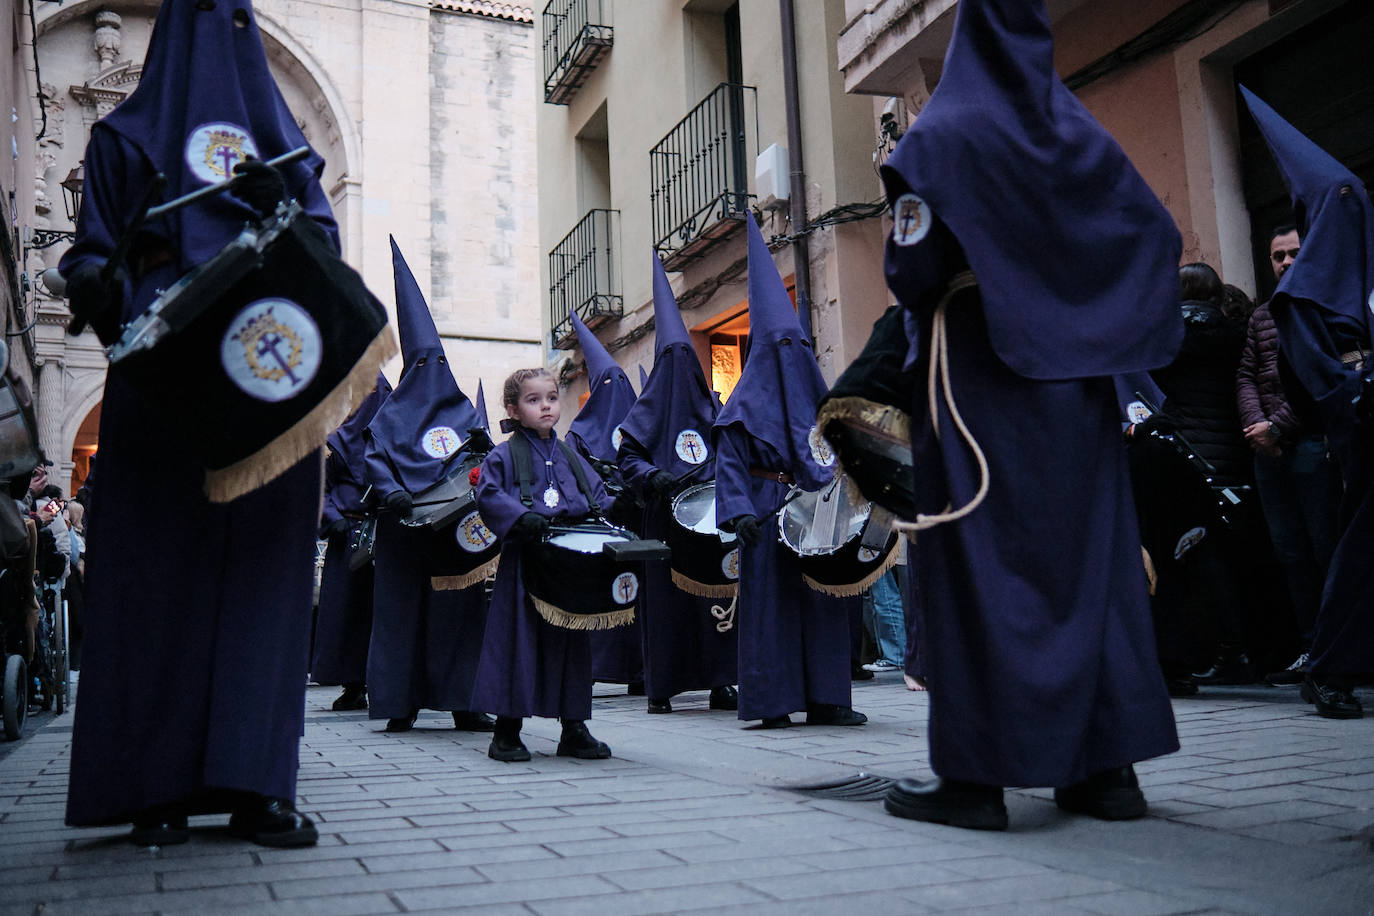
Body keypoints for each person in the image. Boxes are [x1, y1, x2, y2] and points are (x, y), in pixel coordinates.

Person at [876, 0, 1181, 830]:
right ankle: (1107, 774)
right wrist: (1098, 318)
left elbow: (912, 267)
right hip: (1077, 392)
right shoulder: (1081, 137)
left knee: (982, 572)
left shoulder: (938, 139)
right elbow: (1156, 235)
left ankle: (976, 782)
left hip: (977, 380)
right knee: (1095, 570)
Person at [59, 0, 338, 847]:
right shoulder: (121, 143)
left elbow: (326, 248)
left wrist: (284, 211)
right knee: (154, 587)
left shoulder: (288, 152)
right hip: (161, 392)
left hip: (266, 388)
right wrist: (97, 282)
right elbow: (89, 250)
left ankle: (257, 786)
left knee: (263, 592)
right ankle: (153, 789)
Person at [1239, 87, 1374, 719]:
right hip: (1348, 441)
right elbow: (1314, 379)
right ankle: (1328, 667)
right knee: (1347, 553)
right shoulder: (1296, 300)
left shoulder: (1359, 275)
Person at [713, 213, 866, 730]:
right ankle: (771, 701)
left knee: (822, 606)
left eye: (798, 348)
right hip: (762, 518)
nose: (791, 358)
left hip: (815, 518)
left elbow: (838, 458)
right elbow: (729, 468)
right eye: (780, 349)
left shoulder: (822, 407)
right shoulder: (737, 414)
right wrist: (737, 514)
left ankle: (829, 698)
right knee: (770, 613)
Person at [362, 240, 493, 734]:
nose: (432, 373)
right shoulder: (388, 417)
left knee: (460, 619)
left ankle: (464, 701)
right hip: (404, 533)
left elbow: (479, 460)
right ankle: (401, 702)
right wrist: (392, 491)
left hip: (454, 534)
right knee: (402, 617)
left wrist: (481, 457)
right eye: (423, 365)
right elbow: (376, 460)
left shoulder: (463, 412)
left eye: (439, 363)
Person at [614, 253, 738, 715]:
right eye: (673, 357)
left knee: (717, 602)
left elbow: (728, 453)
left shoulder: (711, 407)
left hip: (707, 520)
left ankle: (722, 681)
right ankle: (661, 686)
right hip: (664, 522)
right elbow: (628, 457)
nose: (682, 365)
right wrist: (653, 475)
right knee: (666, 608)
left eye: (689, 357)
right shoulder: (645, 413)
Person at [471, 368, 616, 761]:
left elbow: (596, 494)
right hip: (526, 562)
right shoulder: (503, 454)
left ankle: (573, 728)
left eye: (551, 397)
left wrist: (620, 505)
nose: (546, 406)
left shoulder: (568, 451)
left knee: (571, 644)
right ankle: (506, 731)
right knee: (518, 642)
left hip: (568, 564)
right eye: (533, 400)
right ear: (514, 410)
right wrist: (519, 517)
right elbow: (488, 493)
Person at [1236, 225, 1341, 686]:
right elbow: (1245, 374)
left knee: (1326, 549)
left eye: (1294, 253)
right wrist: (1260, 428)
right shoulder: (1262, 316)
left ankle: (1341, 648)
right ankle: (1311, 647)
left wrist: (1277, 426)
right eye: (1278, 255)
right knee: (1291, 553)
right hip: (1270, 451)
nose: (1285, 263)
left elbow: (1321, 378)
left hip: (1312, 444)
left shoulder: (1328, 308)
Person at [566, 313, 646, 696]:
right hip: (601, 525)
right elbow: (576, 477)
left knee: (641, 596)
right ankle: (601, 667)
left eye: (622, 383)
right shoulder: (578, 434)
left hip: (639, 522)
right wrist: (609, 500)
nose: (616, 390)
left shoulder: (642, 422)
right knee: (606, 593)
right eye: (608, 384)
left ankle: (641, 669)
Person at [313, 373, 391, 711]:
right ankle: (352, 684)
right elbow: (321, 491)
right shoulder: (338, 446)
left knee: (385, 614)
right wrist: (334, 520)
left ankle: (388, 684)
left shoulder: (394, 446)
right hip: (347, 541)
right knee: (348, 614)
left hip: (388, 541)